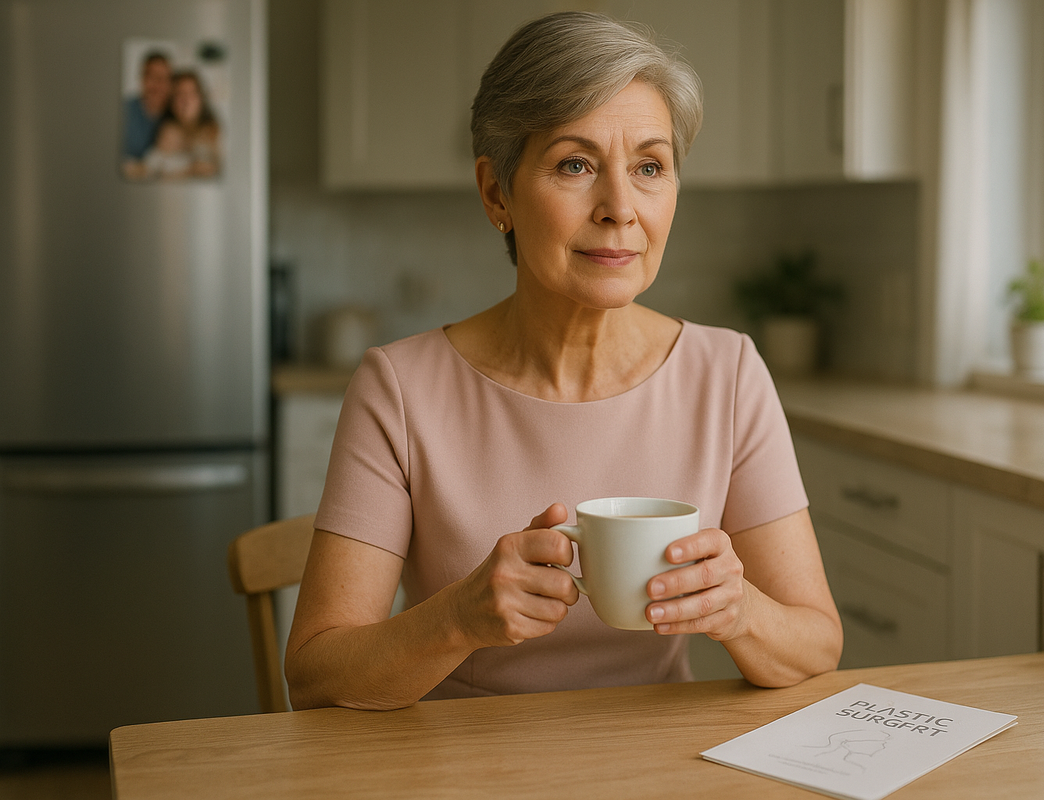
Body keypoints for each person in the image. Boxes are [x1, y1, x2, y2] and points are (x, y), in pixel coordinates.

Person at [285, 10, 843, 711]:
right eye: (575, 164)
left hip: (662, 768)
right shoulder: (399, 388)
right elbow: (312, 675)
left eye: (649, 166)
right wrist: (457, 620)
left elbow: (817, 641)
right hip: (458, 768)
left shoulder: (727, 374)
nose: (620, 207)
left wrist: (741, 612)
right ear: (497, 194)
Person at [146, 70, 221, 179]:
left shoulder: (214, 131)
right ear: (171, 101)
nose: (186, 101)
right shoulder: (166, 131)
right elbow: (150, 168)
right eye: (180, 94)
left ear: (201, 98)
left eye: (192, 93)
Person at [121, 51, 172, 177]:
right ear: (142, 78)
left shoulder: (176, 113)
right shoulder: (124, 110)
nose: (157, 84)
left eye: (163, 78)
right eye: (152, 76)